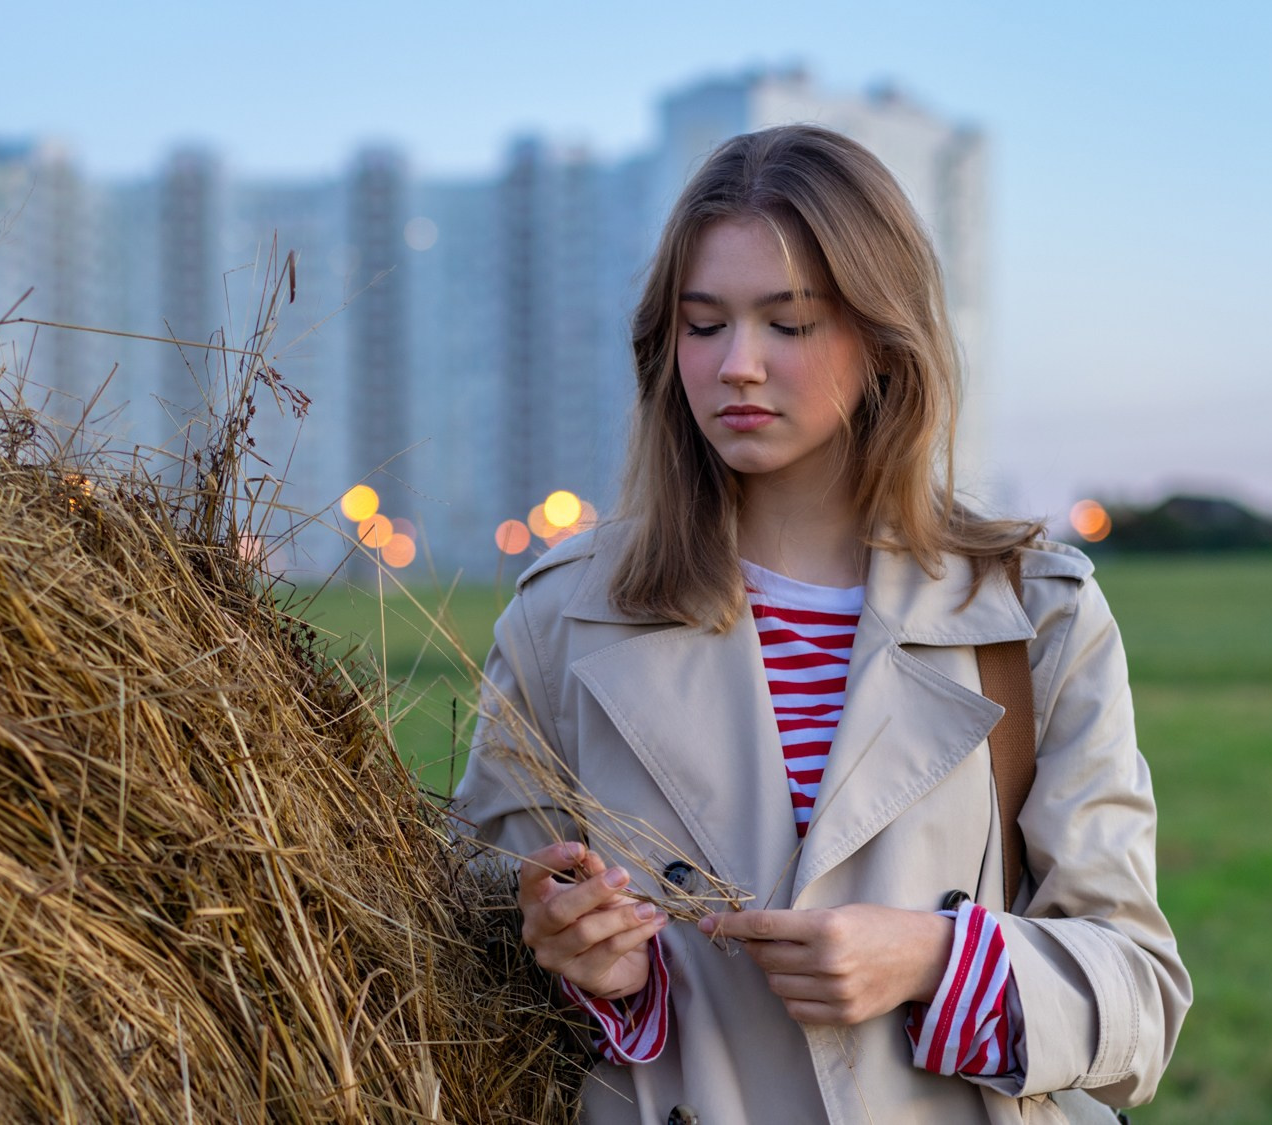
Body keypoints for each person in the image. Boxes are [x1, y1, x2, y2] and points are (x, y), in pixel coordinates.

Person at [452, 124, 1189, 1124]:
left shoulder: (1035, 615)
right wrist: (580, 961)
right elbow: (467, 960)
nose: (735, 366)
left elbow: (1139, 998)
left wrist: (932, 957)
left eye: (788, 325)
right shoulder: (562, 617)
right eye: (702, 324)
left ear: (883, 342)